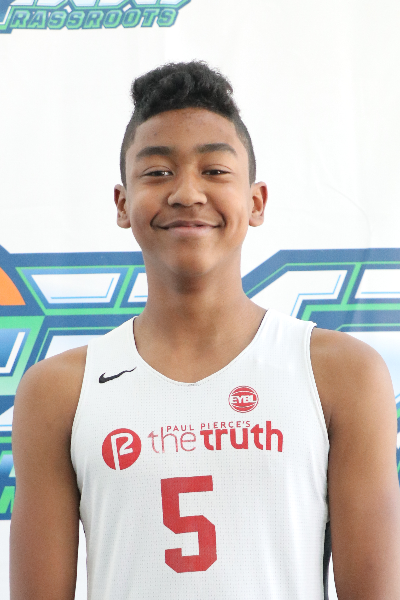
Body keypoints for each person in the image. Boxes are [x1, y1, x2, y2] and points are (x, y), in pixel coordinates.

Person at [10, 61, 400, 600]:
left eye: (214, 171)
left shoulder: (342, 374)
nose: (187, 193)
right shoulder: (58, 390)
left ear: (256, 202)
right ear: (122, 204)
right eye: (157, 172)